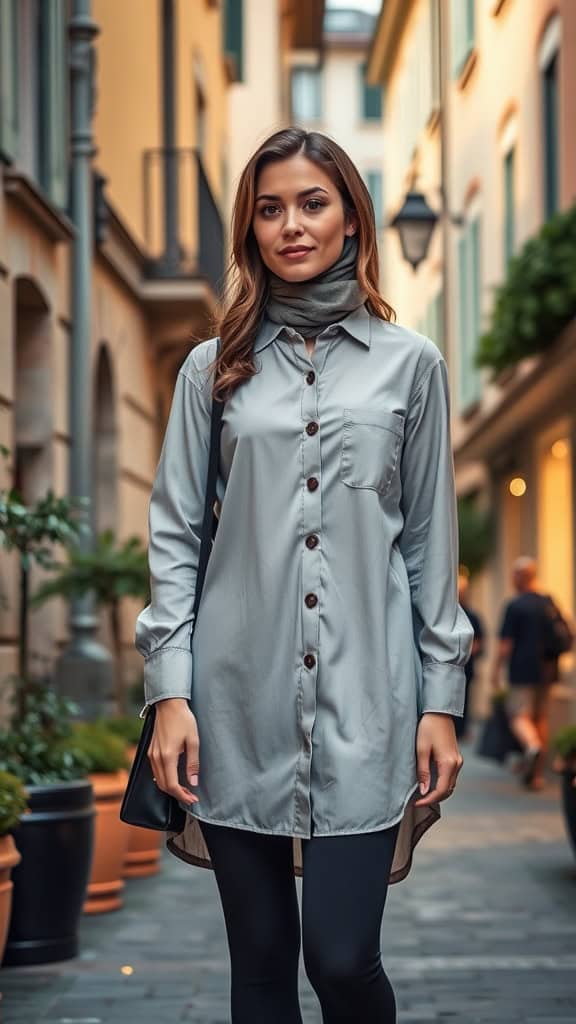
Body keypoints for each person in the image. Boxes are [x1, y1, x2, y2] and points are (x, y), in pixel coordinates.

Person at [135, 128, 474, 1024]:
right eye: (271, 207)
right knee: (258, 971)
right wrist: (169, 694)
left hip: (370, 707)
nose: (292, 224)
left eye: (313, 203)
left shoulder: (415, 367)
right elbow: (174, 537)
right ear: (249, 229)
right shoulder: (211, 371)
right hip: (233, 710)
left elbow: (429, 547)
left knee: (341, 956)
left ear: (353, 220)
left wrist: (442, 700)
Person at [491, 556, 558, 790]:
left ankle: (531, 747)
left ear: (520, 577)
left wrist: (495, 670)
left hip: (522, 670)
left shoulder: (515, 605)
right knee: (540, 719)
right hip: (548, 671)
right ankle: (537, 776)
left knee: (519, 716)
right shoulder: (548, 603)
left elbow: (505, 645)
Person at [454, 568, 484, 743]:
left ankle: (461, 730)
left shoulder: (472, 616)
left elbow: (480, 641)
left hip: (466, 667)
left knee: (465, 700)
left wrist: (463, 651)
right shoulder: (447, 613)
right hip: (452, 663)